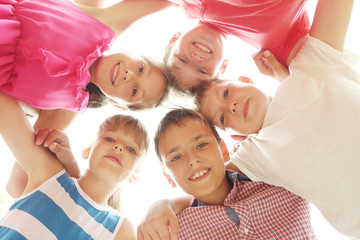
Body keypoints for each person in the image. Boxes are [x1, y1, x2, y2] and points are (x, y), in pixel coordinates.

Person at [191, 0, 360, 237]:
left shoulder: (310, 63)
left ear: (245, 80)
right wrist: (160, 207)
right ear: (236, 136)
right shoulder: (257, 154)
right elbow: (200, 189)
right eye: (221, 117)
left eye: (227, 93)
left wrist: (285, 78)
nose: (232, 106)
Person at [1, 0, 172, 198]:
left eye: (134, 91)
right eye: (141, 68)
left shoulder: (67, 108)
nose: (130, 75)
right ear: (131, 52)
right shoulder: (104, 23)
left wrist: (71, 168)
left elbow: (17, 185)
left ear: (118, 104)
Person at [137, 108, 315, 240]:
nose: (192, 160)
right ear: (168, 177)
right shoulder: (175, 232)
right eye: (176, 157)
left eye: (201, 145)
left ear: (223, 149)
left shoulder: (277, 180)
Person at [0, 91, 149, 239]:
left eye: (131, 149)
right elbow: (4, 104)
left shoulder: (121, 230)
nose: (119, 147)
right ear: (88, 150)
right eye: (109, 139)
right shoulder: (50, 175)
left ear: (136, 173)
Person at [161, 0, 310, 91]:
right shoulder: (276, 52)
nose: (196, 58)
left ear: (173, 40)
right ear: (222, 67)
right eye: (202, 71)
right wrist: (285, 80)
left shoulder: (192, 5)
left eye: (182, 60)